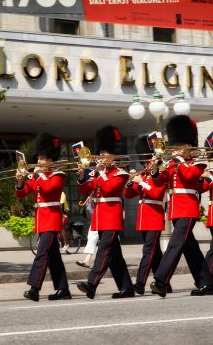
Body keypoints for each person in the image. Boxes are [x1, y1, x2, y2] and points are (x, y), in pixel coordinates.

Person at [150, 115, 213, 297]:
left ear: (187, 146)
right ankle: (206, 283)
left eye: (179, 146)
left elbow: (188, 176)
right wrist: (155, 170)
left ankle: (161, 280)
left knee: (175, 244)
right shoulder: (172, 163)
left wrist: (177, 161)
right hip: (176, 209)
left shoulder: (197, 162)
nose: (175, 149)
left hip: (188, 208)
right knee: (189, 248)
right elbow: (160, 182)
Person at [76, 125, 134, 299]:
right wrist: (81, 177)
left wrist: (101, 173)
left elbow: (109, 189)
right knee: (114, 256)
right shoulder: (98, 172)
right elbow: (87, 189)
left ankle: (92, 284)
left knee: (104, 250)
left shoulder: (120, 173)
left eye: (105, 153)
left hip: (112, 216)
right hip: (100, 216)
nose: (101, 156)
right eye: (100, 153)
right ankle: (127, 288)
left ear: (113, 155)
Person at [16, 132, 70, 301]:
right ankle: (63, 289)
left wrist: (37, 175)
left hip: (52, 220)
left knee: (41, 254)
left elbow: (48, 190)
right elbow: (22, 193)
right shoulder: (38, 176)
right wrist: (19, 182)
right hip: (41, 219)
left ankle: (34, 288)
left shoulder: (58, 175)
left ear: (50, 160)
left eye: (42, 159)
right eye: (38, 159)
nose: (38, 162)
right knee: (53, 257)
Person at [124, 135, 169, 295]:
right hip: (144, 219)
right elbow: (129, 195)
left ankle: (140, 283)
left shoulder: (162, 176)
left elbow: (156, 194)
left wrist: (141, 182)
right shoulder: (143, 175)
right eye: (144, 163)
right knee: (155, 253)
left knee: (148, 252)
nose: (146, 165)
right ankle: (164, 283)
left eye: (148, 162)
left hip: (154, 217)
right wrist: (130, 181)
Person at [76, 198, 98, 268]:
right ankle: (87, 260)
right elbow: (89, 217)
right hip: (96, 221)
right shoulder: (91, 202)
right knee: (91, 239)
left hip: (106, 218)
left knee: (113, 242)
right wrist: (89, 205)